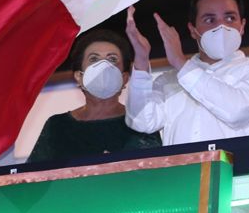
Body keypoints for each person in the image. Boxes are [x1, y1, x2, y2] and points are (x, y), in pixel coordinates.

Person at [125, 0, 249, 144]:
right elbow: (142, 122)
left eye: (230, 18)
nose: (221, 26)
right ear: (192, 29)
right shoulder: (168, 80)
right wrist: (141, 60)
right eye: (210, 20)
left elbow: (239, 111)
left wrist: (181, 63)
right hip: (185, 169)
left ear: (242, 26)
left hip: (242, 168)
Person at [28, 29, 161, 163]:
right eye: (94, 59)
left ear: (124, 77)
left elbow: (158, 174)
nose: (103, 66)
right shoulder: (57, 126)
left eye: (112, 59)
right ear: (79, 76)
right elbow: (31, 178)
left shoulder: (141, 123)